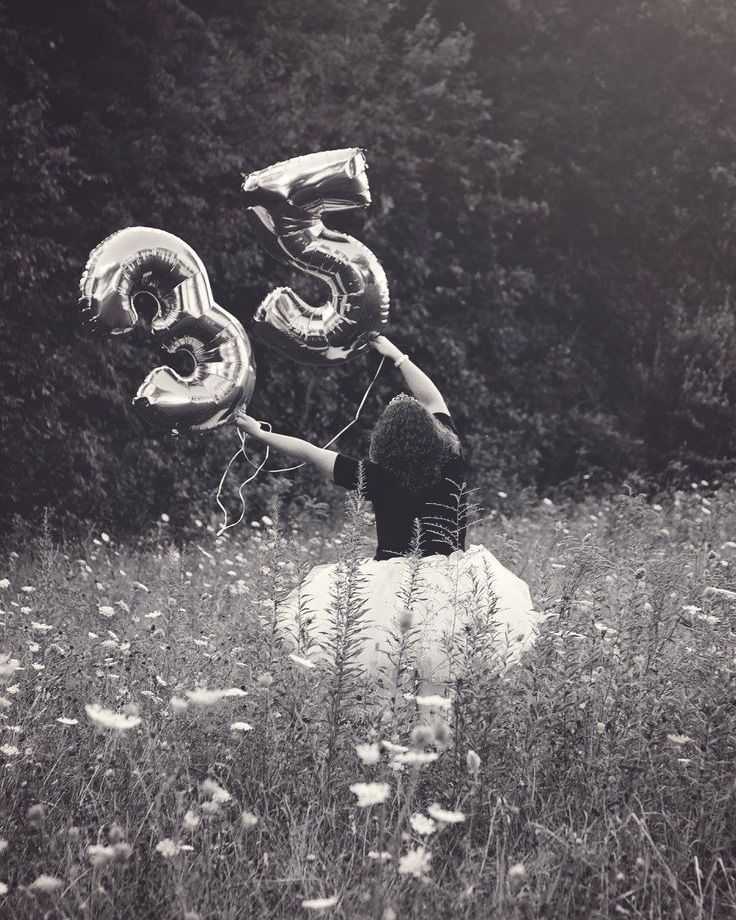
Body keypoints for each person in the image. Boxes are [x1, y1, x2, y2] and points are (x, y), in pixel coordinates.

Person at [234, 335, 541, 688]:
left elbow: (310, 452)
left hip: (393, 585)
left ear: (384, 439)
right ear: (432, 431)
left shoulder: (374, 476)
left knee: (386, 664)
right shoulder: (452, 458)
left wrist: (259, 433)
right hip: (455, 577)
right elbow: (432, 397)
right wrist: (396, 355)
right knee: (458, 657)